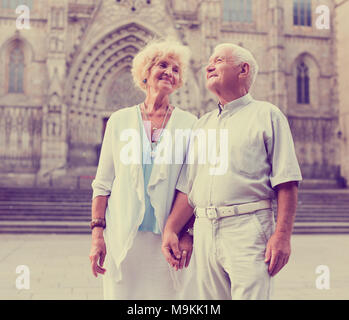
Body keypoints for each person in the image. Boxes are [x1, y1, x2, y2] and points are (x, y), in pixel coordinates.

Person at [162, 43, 303, 300]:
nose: (209, 66)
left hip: (247, 227)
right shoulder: (201, 125)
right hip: (204, 229)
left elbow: (287, 182)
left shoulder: (267, 115)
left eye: (218, 60)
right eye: (209, 61)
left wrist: (282, 235)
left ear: (243, 69)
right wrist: (173, 229)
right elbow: (189, 188)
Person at [89, 39, 197, 300]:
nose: (169, 73)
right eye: (163, 65)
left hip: (167, 240)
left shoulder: (189, 124)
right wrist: (97, 236)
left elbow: (192, 186)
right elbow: (103, 183)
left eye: (175, 69)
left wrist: (188, 234)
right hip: (123, 238)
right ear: (145, 72)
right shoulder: (119, 120)